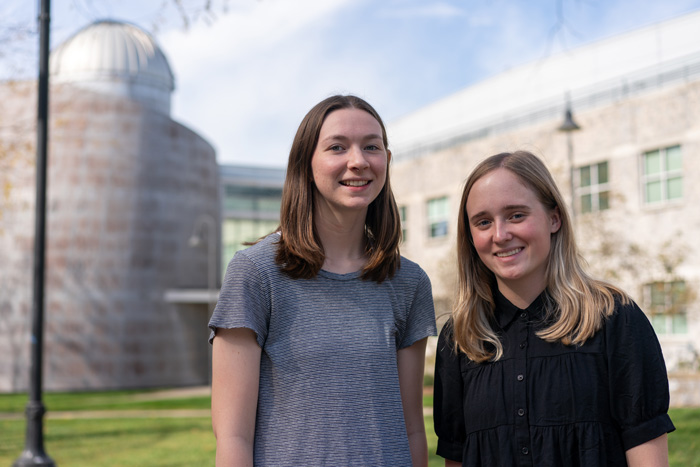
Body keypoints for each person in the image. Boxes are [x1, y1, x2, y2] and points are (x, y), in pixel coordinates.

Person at [209, 95, 437, 466]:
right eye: (337, 147)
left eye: (372, 147)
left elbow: (411, 427)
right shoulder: (255, 273)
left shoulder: (409, 282)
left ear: (387, 162)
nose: (358, 161)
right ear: (306, 163)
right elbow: (233, 435)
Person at [433, 150, 675, 466]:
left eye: (516, 215)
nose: (500, 235)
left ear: (554, 218)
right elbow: (458, 458)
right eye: (483, 222)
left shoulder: (615, 319)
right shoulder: (460, 339)